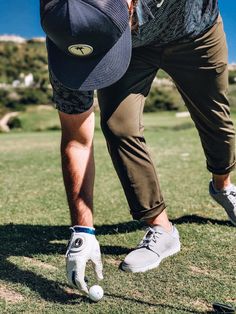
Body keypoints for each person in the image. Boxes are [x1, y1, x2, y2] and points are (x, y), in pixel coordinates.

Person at [40, 0, 236, 294]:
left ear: (130, 8)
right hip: (129, 47)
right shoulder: (67, 29)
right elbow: (77, 139)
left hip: (194, 31)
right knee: (119, 125)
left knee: (215, 119)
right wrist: (82, 230)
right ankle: (162, 229)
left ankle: (223, 186)